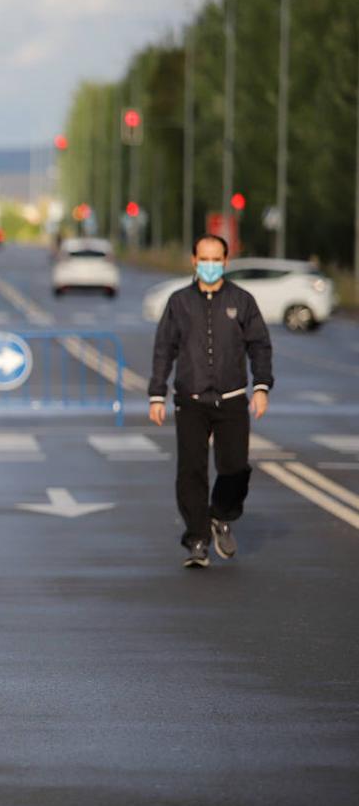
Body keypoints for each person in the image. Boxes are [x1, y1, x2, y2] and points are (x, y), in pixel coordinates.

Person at [149, 235, 273, 568]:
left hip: (231, 399)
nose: (210, 265)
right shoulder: (179, 302)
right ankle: (198, 540)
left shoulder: (242, 300)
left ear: (225, 261)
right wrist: (156, 394)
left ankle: (221, 514)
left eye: (216, 259)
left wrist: (261, 387)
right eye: (204, 259)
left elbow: (259, 345)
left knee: (235, 468)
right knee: (191, 471)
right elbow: (164, 349)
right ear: (193, 261)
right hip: (190, 400)